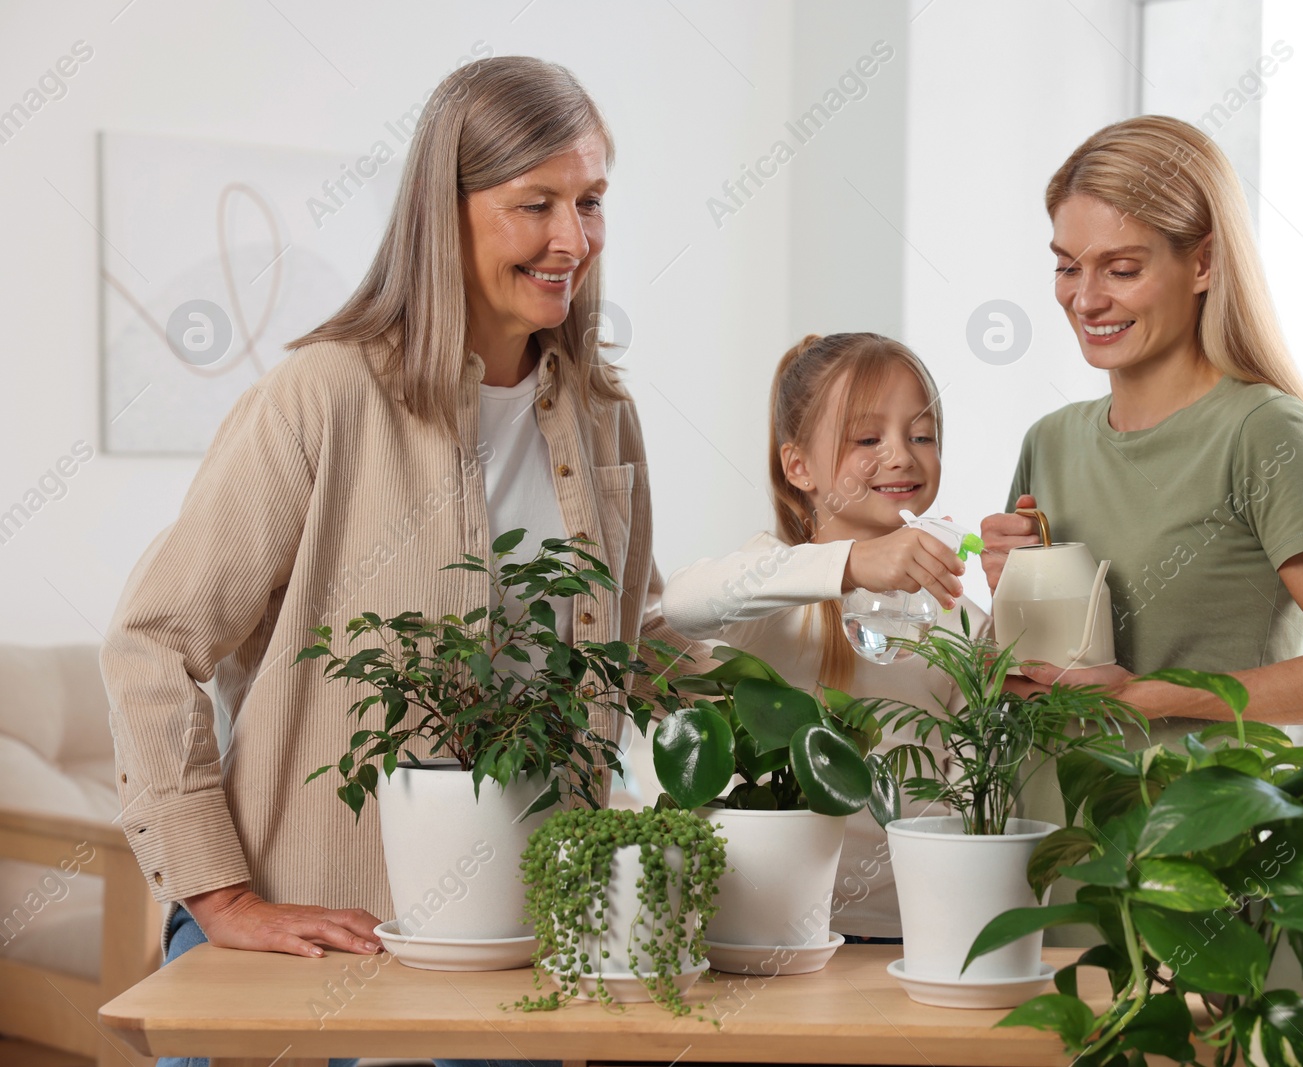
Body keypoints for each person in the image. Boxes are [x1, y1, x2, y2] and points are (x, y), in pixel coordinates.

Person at [101, 56, 699, 1067]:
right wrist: (218, 893)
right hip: (315, 947)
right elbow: (152, 640)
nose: (572, 239)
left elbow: (637, 647)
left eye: (590, 202)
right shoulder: (322, 396)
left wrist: (831, 590)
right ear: (444, 211)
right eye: (534, 204)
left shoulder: (604, 416)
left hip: (515, 950)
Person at [979, 116, 1303, 846]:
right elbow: (1040, 671)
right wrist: (1010, 588)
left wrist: (1145, 699)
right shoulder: (1049, 441)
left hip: (1202, 864)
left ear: (1203, 263)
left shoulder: (1263, 433)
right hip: (1043, 843)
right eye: (1066, 265)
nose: (1085, 299)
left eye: (1121, 268)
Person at [654, 332, 977, 941]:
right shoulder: (774, 588)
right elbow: (684, 602)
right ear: (797, 465)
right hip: (764, 930)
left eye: (922, 435)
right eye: (867, 438)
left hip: (909, 933)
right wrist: (851, 564)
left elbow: (970, 794)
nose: (902, 455)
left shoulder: (959, 617)